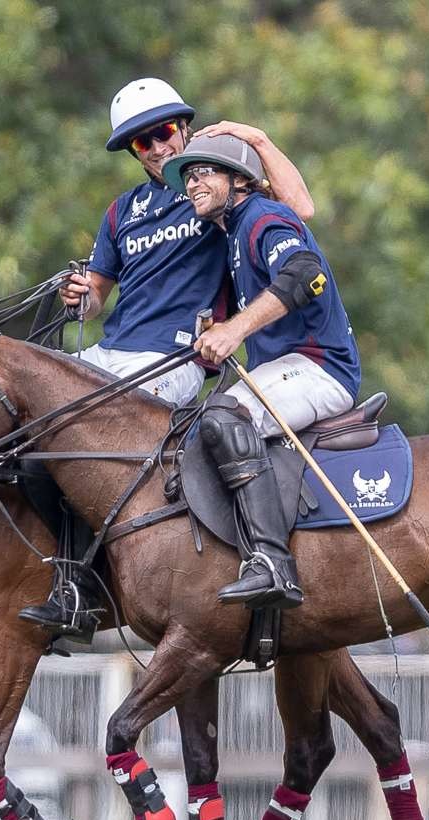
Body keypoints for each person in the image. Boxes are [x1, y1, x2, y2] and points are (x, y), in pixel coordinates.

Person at [20, 78, 316, 636]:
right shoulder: (121, 212)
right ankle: (71, 585)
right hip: (109, 353)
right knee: (26, 432)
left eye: (162, 133)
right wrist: (82, 294)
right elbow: (99, 294)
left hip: (173, 361)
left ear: (183, 127)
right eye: (141, 143)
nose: (157, 149)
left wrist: (255, 136)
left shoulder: (211, 188)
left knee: (78, 436)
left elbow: (300, 208)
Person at [162, 134, 361, 609]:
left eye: (205, 172)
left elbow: (305, 274)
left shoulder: (263, 217)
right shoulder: (232, 234)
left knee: (225, 417)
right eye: (188, 177)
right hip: (287, 368)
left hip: (321, 368)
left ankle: (273, 563)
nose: (193, 183)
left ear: (240, 181)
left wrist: (235, 331)